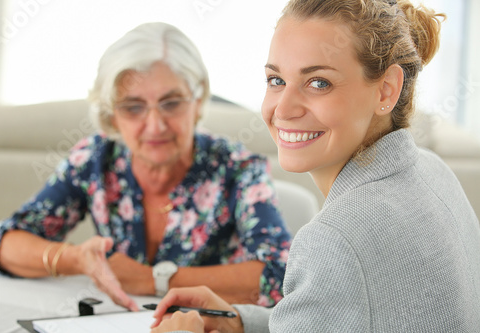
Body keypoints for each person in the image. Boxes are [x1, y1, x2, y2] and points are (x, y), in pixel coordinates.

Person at [149, 0, 480, 331]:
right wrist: (240, 322)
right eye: (276, 80)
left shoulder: (333, 238)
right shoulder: (434, 172)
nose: (284, 109)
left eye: (319, 82)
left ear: (386, 90)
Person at [0, 22, 291, 311]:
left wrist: (150, 279)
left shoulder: (240, 168)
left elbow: (282, 276)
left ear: (197, 101)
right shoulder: (95, 159)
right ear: (111, 115)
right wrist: (77, 259)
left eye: (171, 103)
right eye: (133, 108)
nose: (155, 126)